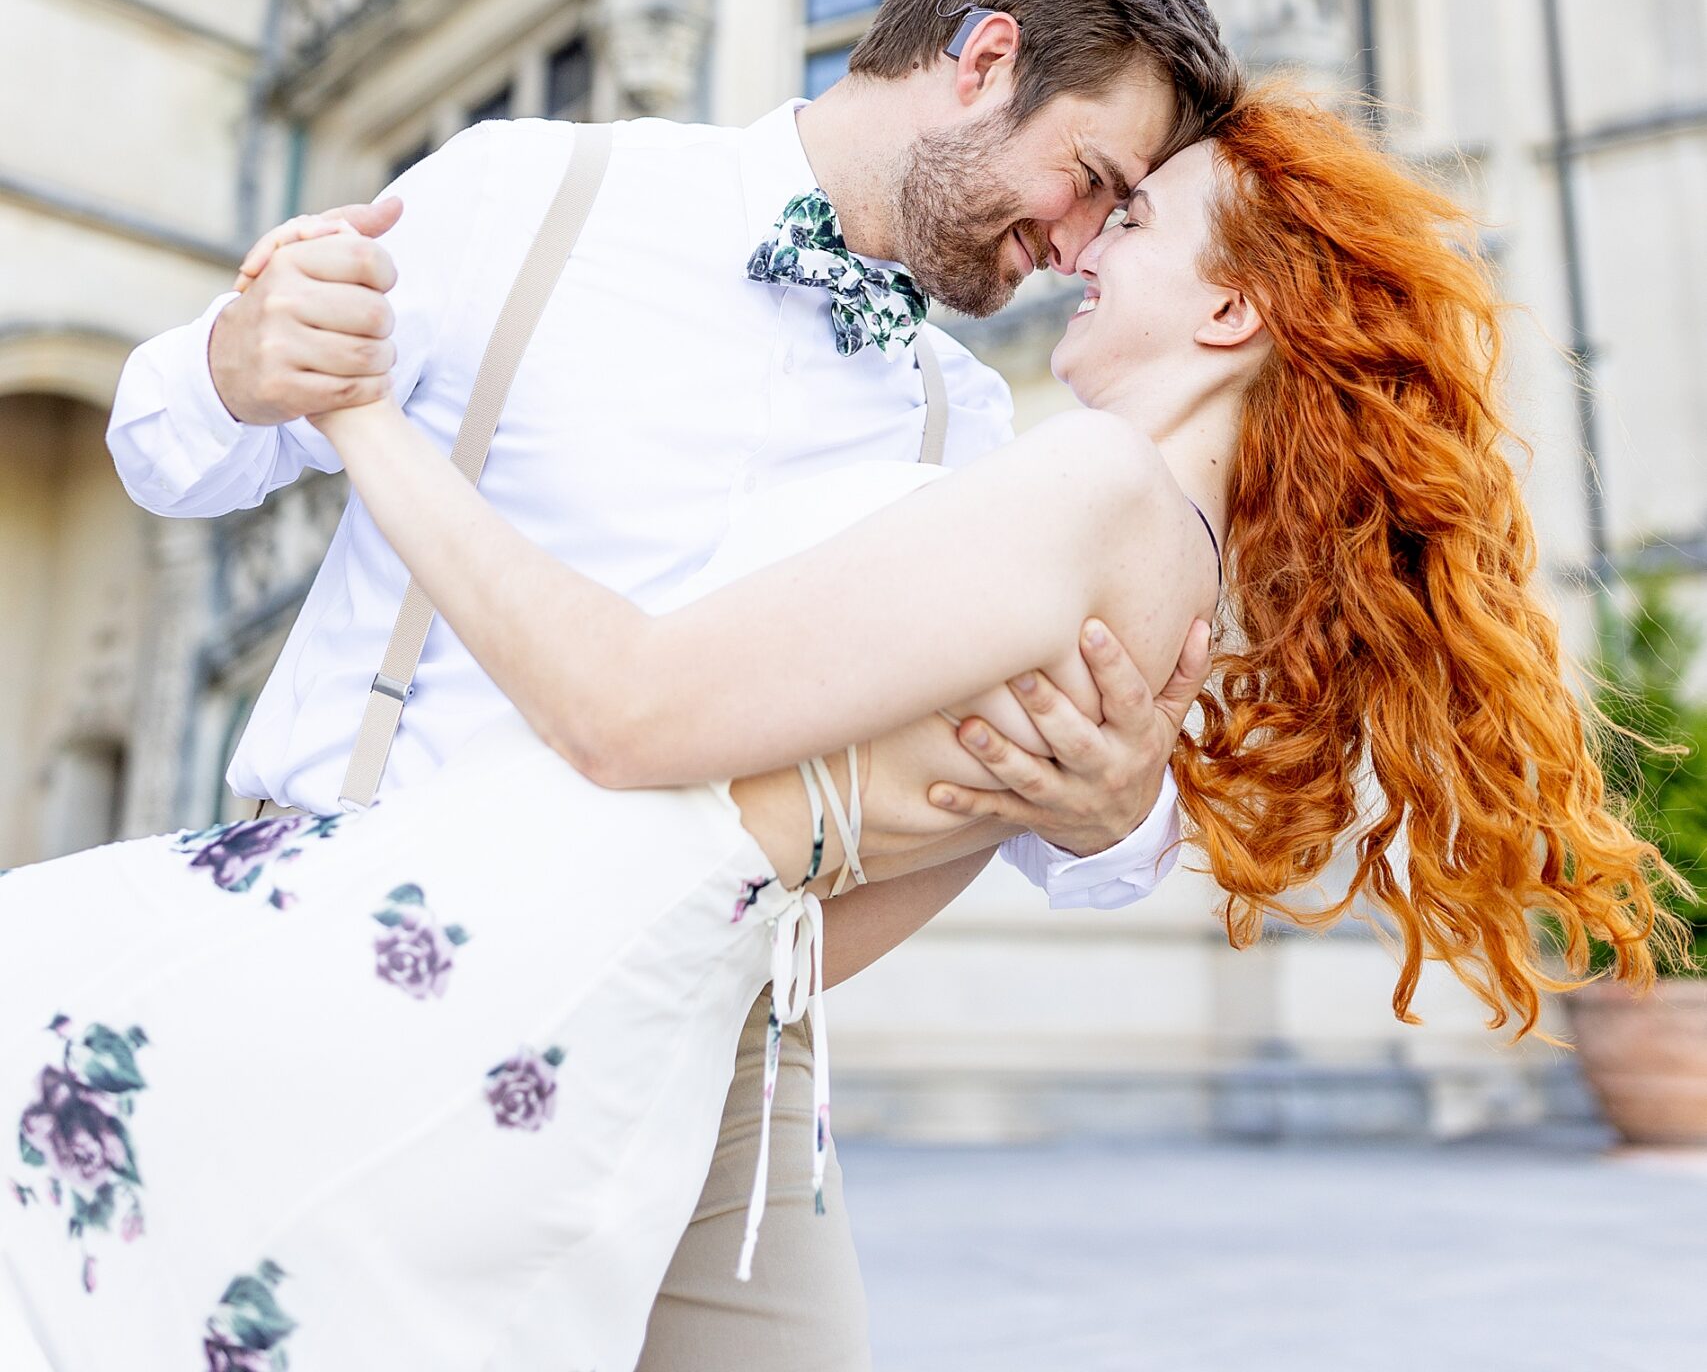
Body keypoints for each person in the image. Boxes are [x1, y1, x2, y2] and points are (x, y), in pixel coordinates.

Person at [0, 95, 1665, 1372]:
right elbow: (814, 912)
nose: (1084, 246)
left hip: (468, 945)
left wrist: (359, 411)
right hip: (607, 1012)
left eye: (1138, 216)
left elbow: (622, 706)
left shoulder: (1083, 489)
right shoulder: (1166, 580)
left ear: (1232, 315)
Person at [93, 0, 1239, 1372]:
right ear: (985, 61)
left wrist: (1115, 811)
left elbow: (1031, 810)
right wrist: (241, 365)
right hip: (360, 957)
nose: (1084, 246)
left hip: (726, 1049)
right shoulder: (535, 190)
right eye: (1092, 178)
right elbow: (165, 451)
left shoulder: (969, 420)